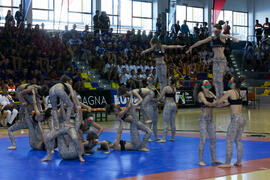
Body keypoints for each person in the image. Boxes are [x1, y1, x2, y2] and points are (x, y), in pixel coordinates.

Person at [186, 20, 239, 99]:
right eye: (214, 31)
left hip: (222, 60)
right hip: (215, 61)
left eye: (216, 31)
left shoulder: (222, 36)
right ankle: (218, 96)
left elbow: (229, 36)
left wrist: (233, 38)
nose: (215, 32)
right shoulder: (212, 37)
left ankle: (221, 97)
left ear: (220, 30)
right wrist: (191, 47)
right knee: (215, 80)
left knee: (219, 79)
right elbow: (201, 42)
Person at [214, 76, 246, 168]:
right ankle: (239, 161)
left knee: (229, 140)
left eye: (231, 82)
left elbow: (219, 101)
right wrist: (220, 105)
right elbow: (230, 103)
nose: (229, 83)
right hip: (242, 118)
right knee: (238, 140)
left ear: (234, 83)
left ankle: (227, 163)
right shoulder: (239, 92)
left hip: (235, 119)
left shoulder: (230, 92)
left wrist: (214, 102)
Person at [194, 80, 222, 166]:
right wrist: (215, 103)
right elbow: (206, 102)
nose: (208, 84)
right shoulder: (201, 94)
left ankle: (213, 158)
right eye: (206, 83)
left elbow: (218, 102)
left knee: (213, 139)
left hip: (211, 119)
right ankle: (200, 160)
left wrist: (224, 103)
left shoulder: (210, 93)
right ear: (202, 86)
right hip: (203, 119)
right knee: (203, 139)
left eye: (209, 82)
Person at [157, 78, 177, 143]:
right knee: (172, 121)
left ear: (170, 81)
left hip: (168, 105)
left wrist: (158, 99)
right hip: (174, 105)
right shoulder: (174, 88)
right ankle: (173, 137)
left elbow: (160, 98)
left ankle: (163, 138)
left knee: (165, 122)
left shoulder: (166, 88)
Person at [146, 77, 160, 141]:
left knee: (155, 122)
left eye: (152, 81)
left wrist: (159, 99)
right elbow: (148, 98)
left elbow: (159, 95)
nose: (151, 82)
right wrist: (155, 99)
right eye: (150, 81)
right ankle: (148, 137)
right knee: (149, 123)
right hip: (149, 106)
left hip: (155, 106)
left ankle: (156, 136)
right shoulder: (146, 89)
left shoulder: (154, 88)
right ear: (147, 82)